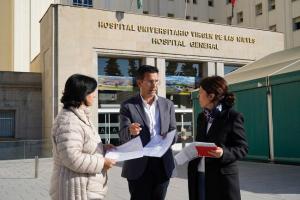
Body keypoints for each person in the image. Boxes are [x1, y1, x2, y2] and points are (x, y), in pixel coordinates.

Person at [49, 74, 116, 200]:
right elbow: (71, 158)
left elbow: (84, 146)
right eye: (92, 91)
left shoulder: (80, 116)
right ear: (82, 93)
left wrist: (103, 148)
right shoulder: (69, 121)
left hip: (84, 188)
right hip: (76, 191)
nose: (95, 95)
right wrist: (102, 163)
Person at [119, 65, 177, 200]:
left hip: (162, 164)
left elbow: (174, 131)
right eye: (150, 81)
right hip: (138, 166)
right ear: (140, 82)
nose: (154, 85)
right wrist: (130, 131)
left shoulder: (168, 104)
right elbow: (122, 135)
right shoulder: (128, 105)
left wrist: (169, 138)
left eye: (157, 81)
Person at [188, 76, 248, 200]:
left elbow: (242, 148)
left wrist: (223, 153)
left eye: (200, 93)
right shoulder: (201, 117)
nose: (198, 96)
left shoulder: (232, 117)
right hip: (199, 175)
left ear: (211, 96)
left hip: (221, 180)